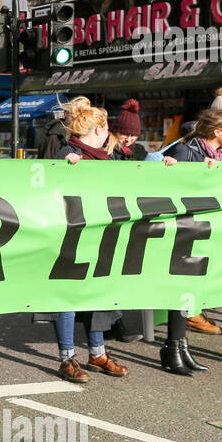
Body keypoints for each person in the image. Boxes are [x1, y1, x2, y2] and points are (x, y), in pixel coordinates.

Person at [156, 107, 222, 375]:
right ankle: (172, 348)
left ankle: (181, 347)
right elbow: (170, 190)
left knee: (190, 291)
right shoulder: (185, 152)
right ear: (218, 132)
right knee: (180, 290)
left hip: (203, 230)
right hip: (182, 230)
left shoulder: (218, 156)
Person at [52, 101, 129, 382]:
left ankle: (97, 354)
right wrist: (65, 169)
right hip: (70, 238)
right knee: (69, 298)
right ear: (99, 129)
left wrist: (166, 166)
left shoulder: (107, 157)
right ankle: (67, 358)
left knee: (97, 295)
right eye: (107, 127)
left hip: (100, 237)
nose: (110, 132)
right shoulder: (67, 153)